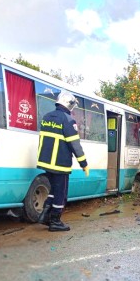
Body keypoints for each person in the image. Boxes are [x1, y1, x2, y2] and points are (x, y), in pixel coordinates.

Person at [37, 91, 89, 231]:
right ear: (69, 104)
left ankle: (44, 217)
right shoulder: (68, 120)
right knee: (61, 193)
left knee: (54, 190)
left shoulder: (47, 117)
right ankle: (55, 222)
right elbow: (75, 145)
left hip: (46, 163)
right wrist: (84, 164)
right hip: (60, 164)